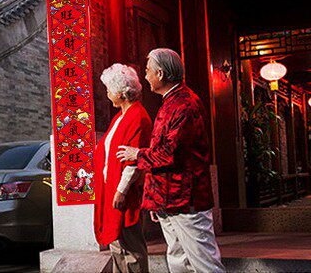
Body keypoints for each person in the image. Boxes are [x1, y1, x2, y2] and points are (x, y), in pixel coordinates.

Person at [117, 48, 225, 273]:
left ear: (161, 74)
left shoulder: (184, 105)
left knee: (205, 264)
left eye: (148, 71)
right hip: (171, 198)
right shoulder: (172, 102)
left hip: (185, 198)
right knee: (179, 261)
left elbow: (170, 154)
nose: (145, 76)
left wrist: (137, 154)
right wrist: (156, 199)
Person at [94, 64, 152, 273]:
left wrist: (121, 190)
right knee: (117, 245)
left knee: (131, 247)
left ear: (120, 92)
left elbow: (133, 161)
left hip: (123, 191)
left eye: (109, 89)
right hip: (111, 187)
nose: (107, 94)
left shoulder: (137, 116)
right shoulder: (120, 117)